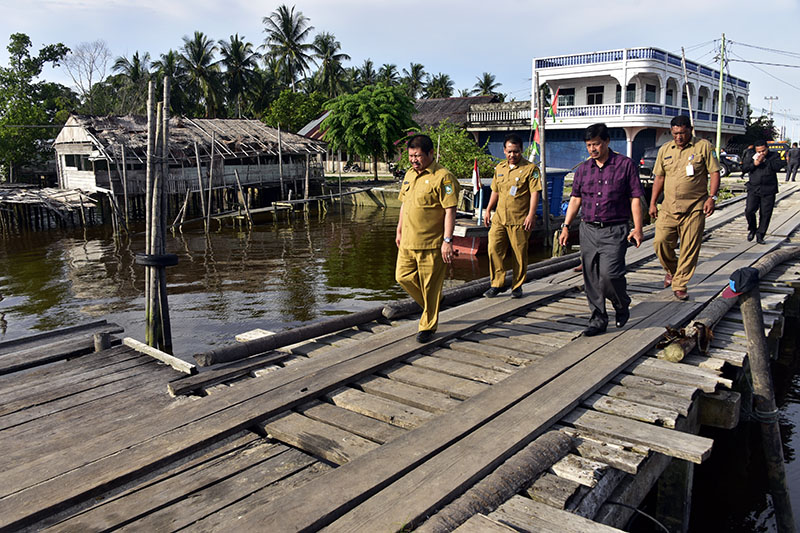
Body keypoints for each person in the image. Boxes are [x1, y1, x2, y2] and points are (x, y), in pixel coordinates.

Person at [558, 123, 644, 337]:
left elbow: (635, 198)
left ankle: (621, 303)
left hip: (615, 229)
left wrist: (638, 228)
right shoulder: (583, 169)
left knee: (610, 275)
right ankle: (598, 318)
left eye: (596, 144)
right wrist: (566, 226)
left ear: (606, 141)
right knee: (591, 276)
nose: (592, 149)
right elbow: (575, 199)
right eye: (588, 145)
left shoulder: (625, 165)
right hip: (588, 228)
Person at [395, 134, 461, 343]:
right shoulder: (409, 175)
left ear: (431, 153)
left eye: (418, 156)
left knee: (430, 286)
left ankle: (427, 326)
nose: (414, 160)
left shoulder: (443, 177)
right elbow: (404, 204)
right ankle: (433, 302)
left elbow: (450, 210)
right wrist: (399, 229)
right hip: (407, 241)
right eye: (411, 156)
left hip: (431, 243)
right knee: (402, 277)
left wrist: (448, 241)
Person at [650, 115, 720, 301]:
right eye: (675, 134)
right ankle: (673, 270)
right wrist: (652, 203)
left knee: (689, 248)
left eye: (682, 133)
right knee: (660, 242)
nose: (678, 137)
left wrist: (711, 197)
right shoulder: (665, 149)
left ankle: (680, 284)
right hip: (668, 207)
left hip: (695, 207)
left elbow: (714, 173)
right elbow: (659, 178)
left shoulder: (704, 146)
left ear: (690, 129)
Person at [483, 133, 542, 299]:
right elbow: (495, 190)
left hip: (519, 218)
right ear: (504, 151)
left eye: (515, 151)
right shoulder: (500, 168)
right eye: (509, 151)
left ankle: (517, 285)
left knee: (519, 253)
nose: (512, 155)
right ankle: (497, 283)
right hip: (500, 218)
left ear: (521, 150)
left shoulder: (531, 169)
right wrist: (488, 209)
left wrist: (531, 215)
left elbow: (535, 193)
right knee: (493, 248)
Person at [742, 139, 782, 244]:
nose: (761, 153)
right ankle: (752, 228)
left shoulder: (774, 156)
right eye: (759, 151)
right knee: (749, 210)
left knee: (765, 214)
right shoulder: (750, 155)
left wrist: (765, 161)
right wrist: (754, 164)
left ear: (767, 148)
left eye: (763, 151)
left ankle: (760, 235)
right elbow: (744, 168)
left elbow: (778, 166)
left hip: (769, 189)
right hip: (754, 188)